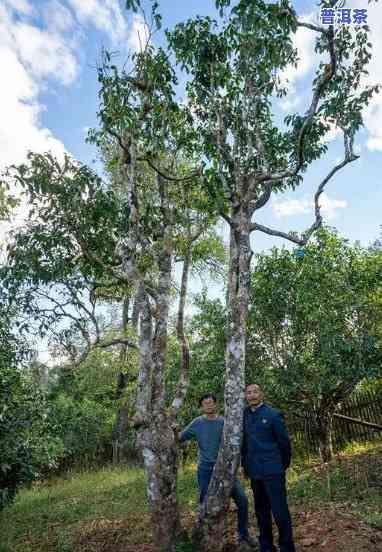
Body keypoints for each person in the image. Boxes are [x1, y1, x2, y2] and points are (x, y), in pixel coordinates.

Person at [178, 393, 256, 548]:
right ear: (201, 407)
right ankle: (204, 536)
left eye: (211, 402)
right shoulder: (197, 423)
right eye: (205, 403)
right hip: (206, 469)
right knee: (204, 503)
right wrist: (172, 431)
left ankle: (243, 536)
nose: (209, 405)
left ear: (216, 404)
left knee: (242, 500)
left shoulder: (225, 422)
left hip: (225, 469)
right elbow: (180, 438)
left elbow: (237, 442)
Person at [242, 384, 296, 552]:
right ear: (245, 396)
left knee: (280, 512)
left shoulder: (273, 415)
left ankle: (287, 547)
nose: (252, 395)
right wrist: (245, 466)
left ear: (262, 394)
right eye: (249, 393)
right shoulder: (243, 415)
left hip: (273, 471)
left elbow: (284, 444)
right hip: (255, 473)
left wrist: (282, 465)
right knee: (261, 512)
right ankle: (266, 546)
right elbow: (244, 444)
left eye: (255, 392)